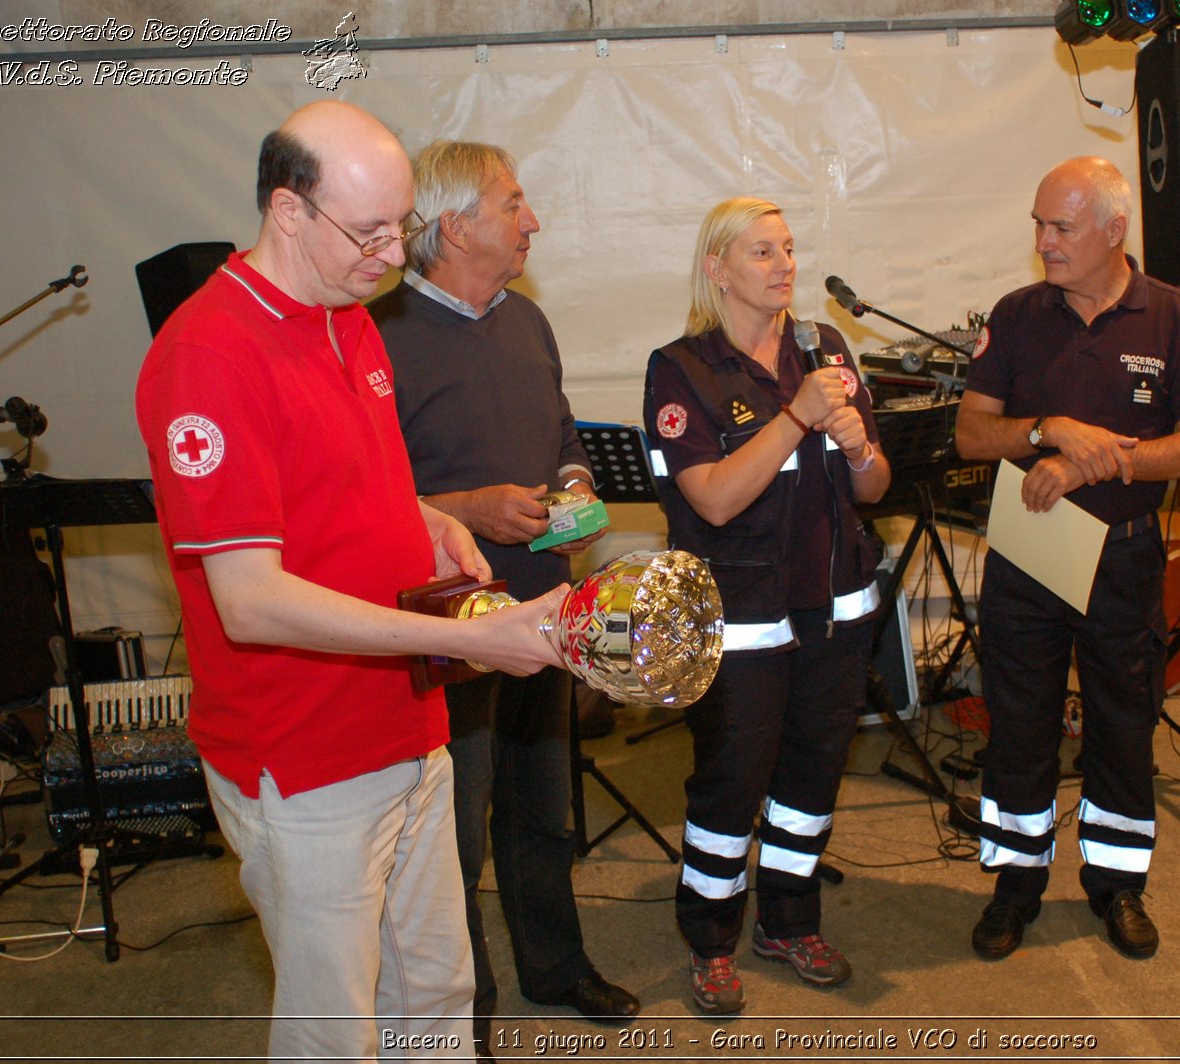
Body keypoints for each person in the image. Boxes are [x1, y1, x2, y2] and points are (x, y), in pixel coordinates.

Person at [134, 101, 565, 1061]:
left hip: (407, 730)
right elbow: (249, 601)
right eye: (367, 231)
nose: (389, 254)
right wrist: (462, 638)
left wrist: (431, 517)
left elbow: (356, 481)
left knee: (437, 991)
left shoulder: (349, 315)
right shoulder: (209, 356)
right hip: (306, 755)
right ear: (289, 212)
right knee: (339, 1028)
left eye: (399, 227)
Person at [369, 141, 638, 1053]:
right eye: (514, 204)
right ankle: (464, 1013)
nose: (533, 221)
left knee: (544, 808)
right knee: (457, 836)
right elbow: (361, 500)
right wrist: (468, 509)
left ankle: (556, 969)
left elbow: (563, 433)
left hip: (546, 612)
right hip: (448, 629)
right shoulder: (379, 335)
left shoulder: (526, 320)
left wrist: (572, 485)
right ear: (455, 226)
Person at [954, 157, 1180, 961]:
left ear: (1114, 230)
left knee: (1121, 726)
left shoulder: (1173, 317)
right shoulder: (1017, 313)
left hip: (1126, 554)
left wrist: (1101, 461)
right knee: (1020, 726)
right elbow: (972, 434)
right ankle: (1015, 886)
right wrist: (1046, 432)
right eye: (1038, 224)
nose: (1043, 241)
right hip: (1031, 552)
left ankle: (1118, 885)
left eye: (1060, 226)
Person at [642, 197, 891, 1014]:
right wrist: (797, 418)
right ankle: (710, 942)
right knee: (730, 785)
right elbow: (712, 500)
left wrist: (857, 447)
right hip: (744, 619)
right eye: (761, 252)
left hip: (837, 608)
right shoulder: (681, 369)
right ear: (717, 269)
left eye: (788, 248)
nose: (784, 264)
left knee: (814, 776)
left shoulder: (825, 348)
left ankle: (789, 920)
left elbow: (877, 486)